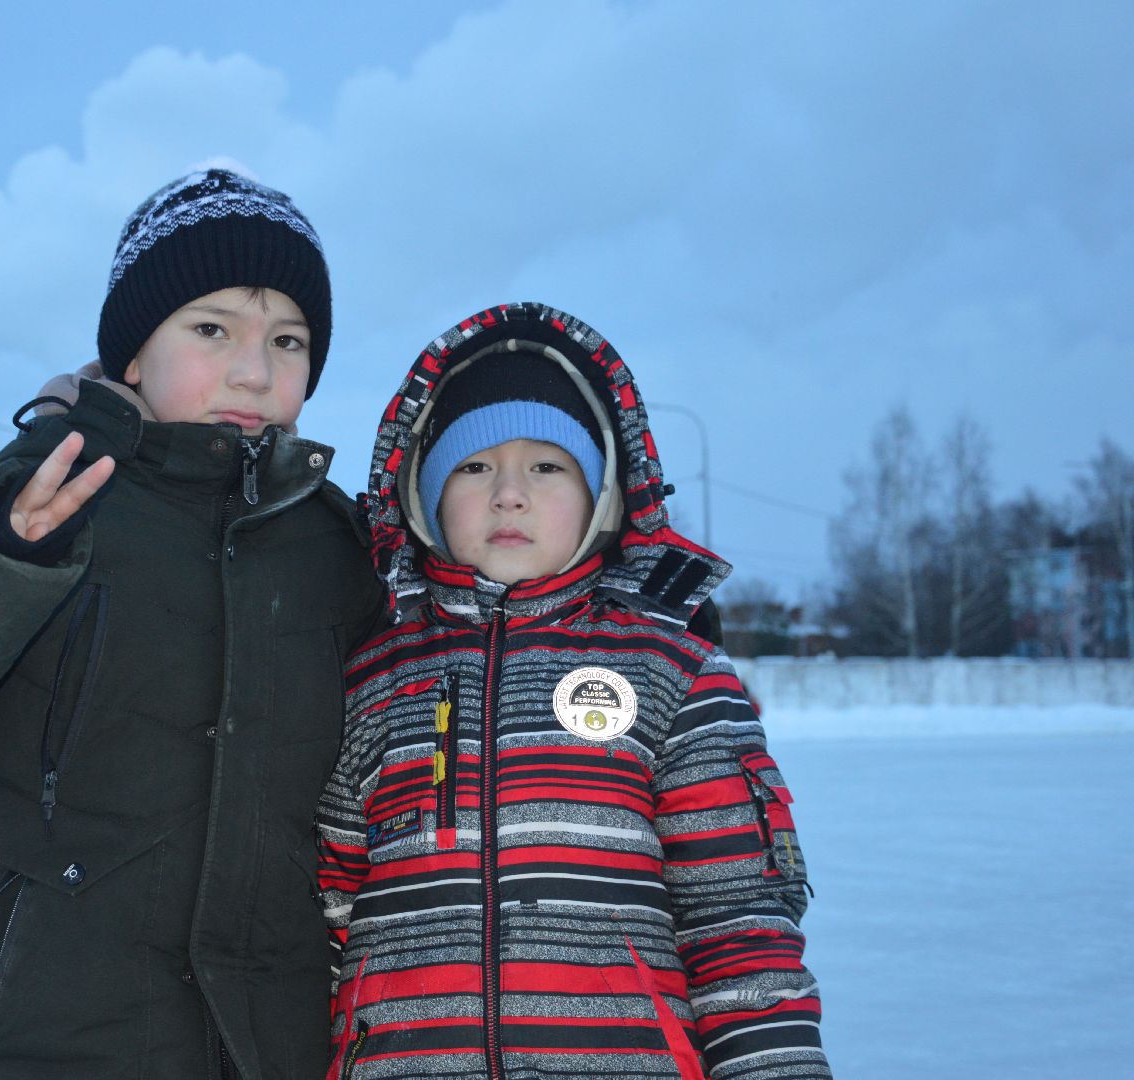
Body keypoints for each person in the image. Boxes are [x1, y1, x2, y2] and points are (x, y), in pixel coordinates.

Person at [0, 169, 380, 1079]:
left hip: (270, 1042)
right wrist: (2, 561)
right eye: (211, 329)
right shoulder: (39, 499)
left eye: (289, 339)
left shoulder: (338, 552)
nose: (256, 371)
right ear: (132, 353)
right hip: (30, 1036)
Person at [316, 302, 829, 1079]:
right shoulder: (371, 677)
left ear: (602, 495)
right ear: (423, 496)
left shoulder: (673, 673)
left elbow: (737, 927)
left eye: (547, 467)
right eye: (473, 466)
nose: (509, 494)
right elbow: (325, 913)